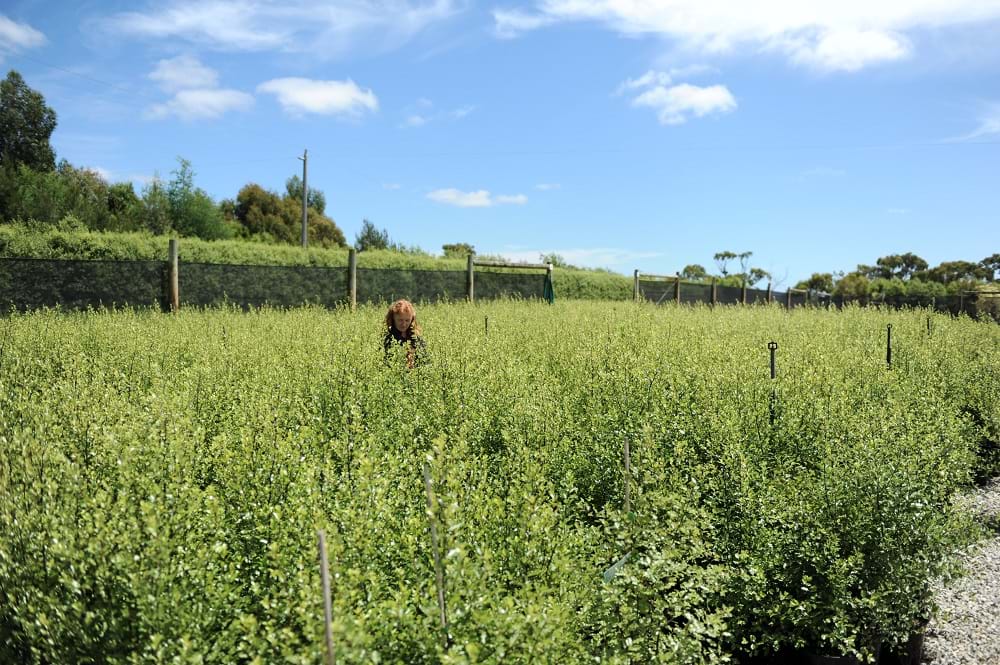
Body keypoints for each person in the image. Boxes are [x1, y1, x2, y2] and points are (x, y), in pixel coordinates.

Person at [383, 299, 428, 368]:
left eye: (407, 320)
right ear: (393, 319)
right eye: (400, 320)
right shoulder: (387, 338)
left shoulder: (416, 338)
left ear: (412, 319)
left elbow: (425, 362)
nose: (404, 324)